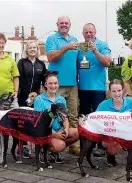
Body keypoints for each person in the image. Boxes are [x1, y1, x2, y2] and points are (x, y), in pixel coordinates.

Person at [45, 16, 80, 155]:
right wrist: (66, 47)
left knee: (73, 114)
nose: (64, 25)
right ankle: (50, 143)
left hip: (72, 83)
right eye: (61, 23)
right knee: (53, 114)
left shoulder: (75, 39)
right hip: (56, 84)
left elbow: (78, 61)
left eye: (66, 23)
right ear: (57, 24)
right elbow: (51, 57)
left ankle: (74, 145)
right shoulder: (52, 39)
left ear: (70, 25)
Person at [78, 23, 111, 157]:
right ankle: (85, 145)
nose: (89, 34)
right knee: (85, 118)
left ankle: (101, 146)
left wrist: (95, 50)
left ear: (95, 32)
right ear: (83, 33)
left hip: (98, 88)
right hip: (83, 88)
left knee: (99, 117)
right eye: (86, 32)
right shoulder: (80, 47)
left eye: (91, 32)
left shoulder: (102, 45)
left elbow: (107, 62)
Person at [34, 71, 79, 163]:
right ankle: (44, 151)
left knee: (78, 132)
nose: (53, 86)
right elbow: (39, 122)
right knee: (60, 145)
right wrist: (55, 134)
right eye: (50, 83)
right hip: (44, 132)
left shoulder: (61, 99)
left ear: (58, 84)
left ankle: (55, 151)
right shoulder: (39, 99)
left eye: (55, 83)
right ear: (45, 85)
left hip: (58, 130)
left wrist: (66, 129)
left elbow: (65, 118)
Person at [94, 79, 132, 166]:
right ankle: (110, 155)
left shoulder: (131, 102)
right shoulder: (103, 105)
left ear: (123, 90)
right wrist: (84, 119)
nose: (117, 94)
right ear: (110, 92)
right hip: (111, 135)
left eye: (119, 90)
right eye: (114, 91)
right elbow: (94, 118)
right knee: (114, 147)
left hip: (128, 132)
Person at [16, 41, 47, 158]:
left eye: (34, 47)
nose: (32, 49)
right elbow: (17, 78)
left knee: (36, 121)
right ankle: (22, 147)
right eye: (30, 48)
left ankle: (38, 145)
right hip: (23, 97)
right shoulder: (22, 62)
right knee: (23, 122)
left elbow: (44, 81)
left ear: (37, 49)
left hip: (36, 98)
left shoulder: (41, 64)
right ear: (26, 50)